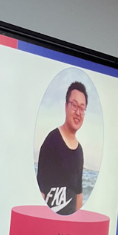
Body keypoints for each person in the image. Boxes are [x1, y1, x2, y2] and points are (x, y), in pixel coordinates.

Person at [36, 81, 87, 215]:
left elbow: (78, 194)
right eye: (74, 105)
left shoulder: (79, 151)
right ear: (66, 106)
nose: (78, 112)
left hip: (68, 224)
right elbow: (40, 191)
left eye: (82, 108)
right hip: (50, 221)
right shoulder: (51, 141)